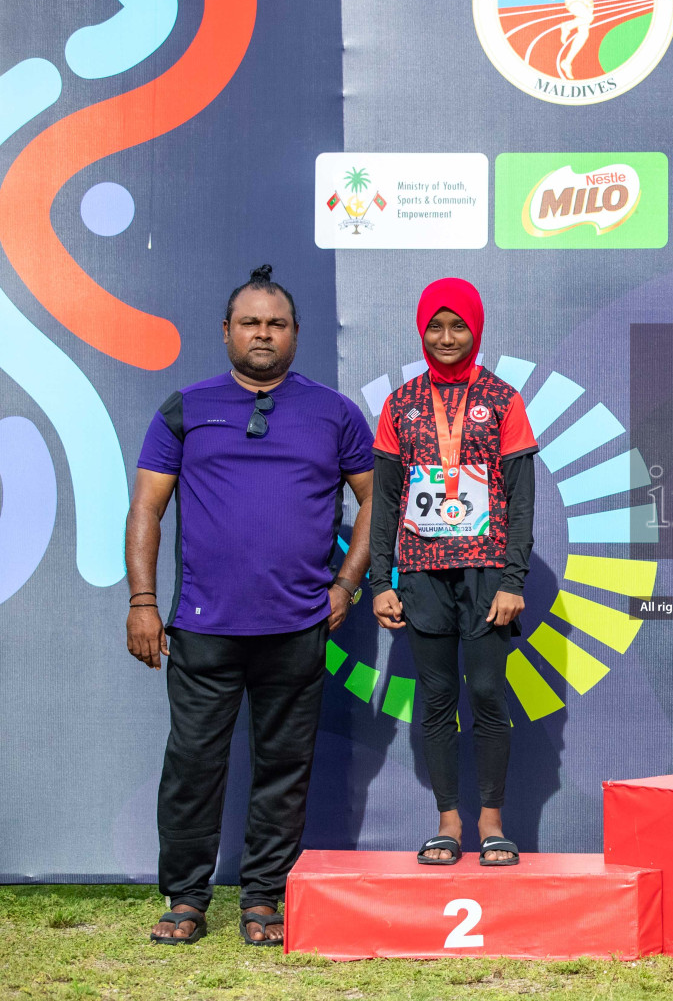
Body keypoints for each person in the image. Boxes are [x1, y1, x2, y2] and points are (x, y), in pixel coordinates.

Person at [126, 265, 375, 945]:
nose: (263, 334)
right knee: (193, 767)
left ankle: (263, 899)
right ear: (227, 331)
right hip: (203, 627)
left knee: (283, 769)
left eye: (276, 324)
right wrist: (143, 602)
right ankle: (185, 898)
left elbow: (377, 501)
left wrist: (346, 584)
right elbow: (147, 508)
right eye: (250, 323)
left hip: (297, 626)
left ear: (295, 334)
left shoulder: (335, 413)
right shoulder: (185, 407)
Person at [369, 278, 537, 866]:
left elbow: (521, 500)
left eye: (457, 326)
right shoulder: (400, 403)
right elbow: (386, 502)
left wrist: (514, 580)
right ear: (422, 331)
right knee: (437, 697)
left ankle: (493, 822)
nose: (446, 338)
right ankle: (449, 822)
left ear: (476, 329)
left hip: (486, 570)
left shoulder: (504, 399)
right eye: (435, 327)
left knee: (488, 692)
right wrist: (381, 582)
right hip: (421, 572)